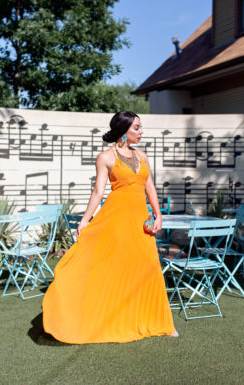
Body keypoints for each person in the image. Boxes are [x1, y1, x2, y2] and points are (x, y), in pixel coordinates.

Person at [42, 111, 177, 344]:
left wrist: (158, 213)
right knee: (117, 268)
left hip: (140, 221)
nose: (141, 131)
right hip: (115, 220)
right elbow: (98, 192)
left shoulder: (142, 156)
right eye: (137, 128)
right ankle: (107, 317)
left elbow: (150, 187)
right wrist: (85, 220)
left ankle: (159, 323)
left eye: (140, 127)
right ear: (124, 130)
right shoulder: (105, 157)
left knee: (147, 268)